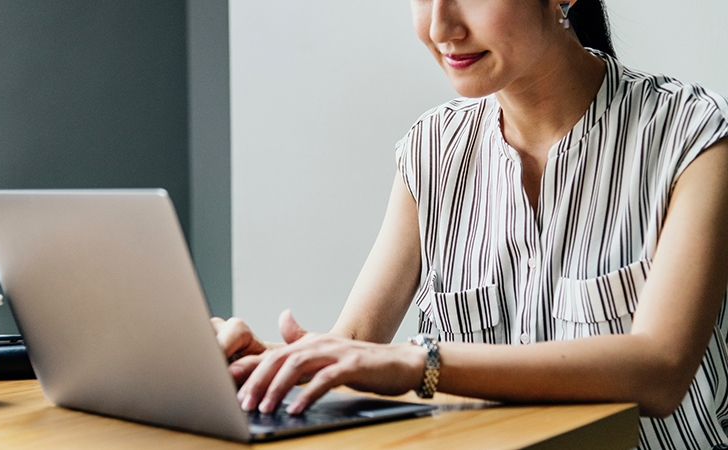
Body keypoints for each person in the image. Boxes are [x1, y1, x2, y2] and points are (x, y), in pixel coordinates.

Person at [212, 0, 728, 448]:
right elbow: (354, 347)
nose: (441, 27)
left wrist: (423, 363)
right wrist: (260, 360)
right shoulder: (431, 150)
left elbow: (660, 370)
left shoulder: (693, 138)